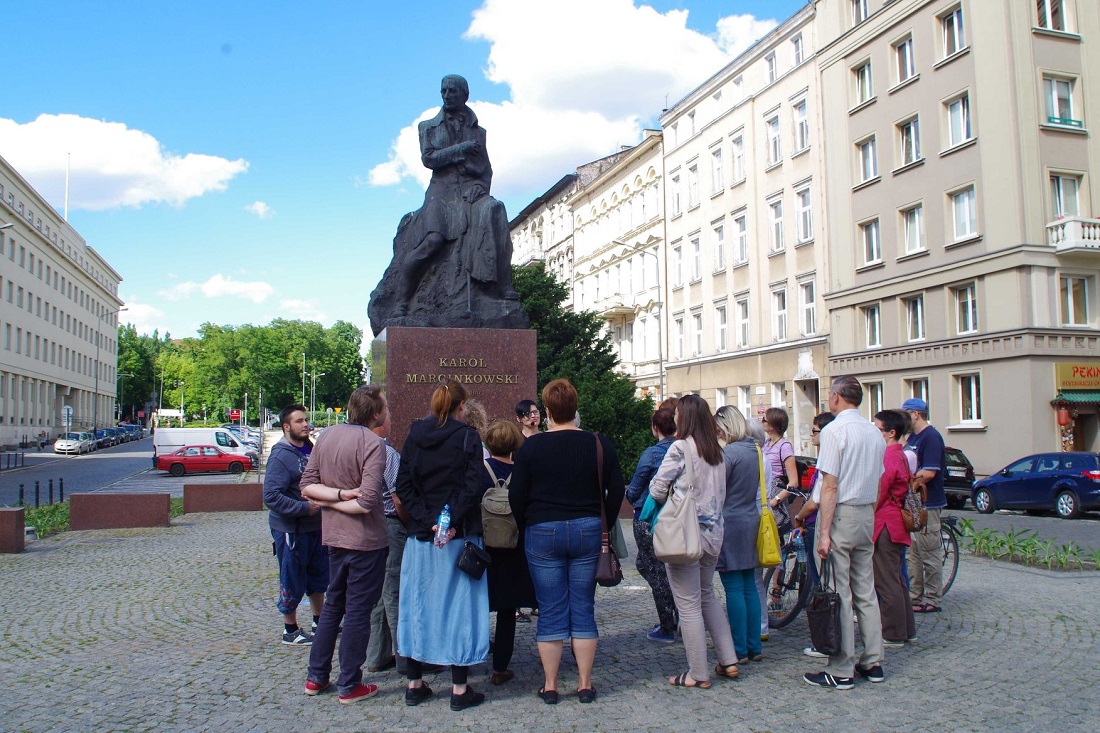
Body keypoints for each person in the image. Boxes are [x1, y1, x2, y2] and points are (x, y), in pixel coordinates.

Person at [510, 378, 625, 705]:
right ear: (575, 409)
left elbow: (516, 495)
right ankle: (585, 684)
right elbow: (617, 490)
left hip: (542, 531)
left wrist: (526, 525)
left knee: (550, 608)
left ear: (546, 411)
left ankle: (550, 685)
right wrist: (606, 524)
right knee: (583, 607)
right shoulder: (599, 443)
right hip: (588, 530)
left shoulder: (531, 447)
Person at [395, 379, 489, 712]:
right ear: (461, 407)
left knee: (417, 606)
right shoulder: (467, 437)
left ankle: (414, 683)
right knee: (459, 608)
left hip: (421, 539)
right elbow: (473, 485)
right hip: (457, 537)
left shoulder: (414, 436)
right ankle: (460, 688)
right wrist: (447, 522)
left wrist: (427, 520)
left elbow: (403, 487)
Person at [300, 386, 390, 704]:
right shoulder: (373, 443)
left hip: (334, 537)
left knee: (333, 607)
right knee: (357, 612)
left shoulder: (326, 436)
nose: (388, 413)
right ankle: (349, 684)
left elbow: (309, 486)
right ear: (376, 413)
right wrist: (341, 497)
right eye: (386, 408)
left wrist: (330, 501)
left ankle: (316, 677)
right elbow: (366, 503)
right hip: (365, 541)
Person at [649, 394, 738, 689]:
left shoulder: (680, 447)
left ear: (684, 418)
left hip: (686, 536)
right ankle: (729, 659)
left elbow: (658, 488)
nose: (673, 418)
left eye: (677, 414)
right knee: (707, 596)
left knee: (687, 605)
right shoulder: (718, 451)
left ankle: (697, 673)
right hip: (714, 534)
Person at [804, 376, 885, 689]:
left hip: (841, 514)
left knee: (839, 592)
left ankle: (841, 668)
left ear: (836, 397)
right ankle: (874, 661)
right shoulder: (873, 433)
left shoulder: (834, 430)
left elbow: (830, 484)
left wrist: (824, 532)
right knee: (866, 591)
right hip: (866, 513)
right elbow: (877, 481)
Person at [263, 404, 326, 646]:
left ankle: (319, 621)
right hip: (291, 530)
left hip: (315, 527)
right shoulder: (280, 456)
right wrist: (303, 508)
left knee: (318, 576)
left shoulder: (310, 448)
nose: (305, 424)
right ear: (286, 426)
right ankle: (290, 629)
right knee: (291, 578)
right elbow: (271, 496)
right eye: (299, 421)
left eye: (306, 420)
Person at [482, 419, 536, 685]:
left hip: (483, 549)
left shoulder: (478, 470)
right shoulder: (523, 472)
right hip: (513, 548)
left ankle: (469, 658)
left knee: (476, 605)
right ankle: (500, 667)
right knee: (507, 610)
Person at [624, 407, 678, 643]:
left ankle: (668, 624)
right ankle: (678, 612)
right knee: (653, 566)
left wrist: (634, 500)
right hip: (679, 518)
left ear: (655, 428)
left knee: (654, 569)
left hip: (650, 519)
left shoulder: (652, 454)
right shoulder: (685, 449)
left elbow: (635, 489)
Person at [714, 406, 762, 665]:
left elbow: (718, 490)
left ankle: (739, 648)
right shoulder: (754, 449)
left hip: (730, 521)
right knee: (749, 586)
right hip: (749, 518)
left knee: (733, 587)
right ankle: (754, 645)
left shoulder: (729, 453)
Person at [791, 411, 835, 658]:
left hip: (817, 524)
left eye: (815, 430)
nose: (811, 435)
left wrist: (799, 517)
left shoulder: (827, 461)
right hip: (822, 523)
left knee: (822, 584)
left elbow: (816, 499)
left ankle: (826, 640)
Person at [365, 404, 405, 675]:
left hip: (367, 524)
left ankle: (376, 654)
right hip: (390, 524)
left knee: (379, 592)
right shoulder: (386, 452)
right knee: (394, 591)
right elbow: (397, 497)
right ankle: (407, 658)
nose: (391, 419)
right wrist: (410, 524)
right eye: (389, 415)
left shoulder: (357, 448)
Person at [872, 410, 917, 647]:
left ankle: (893, 632)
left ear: (891, 433)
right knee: (897, 579)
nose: (875, 433)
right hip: (895, 524)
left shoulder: (890, 456)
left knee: (887, 581)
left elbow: (880, 490)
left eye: (878, 429)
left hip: (886, 523)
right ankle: (906, 628)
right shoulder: (898, 454)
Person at [902, 397, 947, 614]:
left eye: (906, 414)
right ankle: (915, 595)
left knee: (929, 552)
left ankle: (932, 597)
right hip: (913, 504)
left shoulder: (931, 437)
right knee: (913, 554)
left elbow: (929, 472)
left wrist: (906, 479)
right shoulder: (912, 437)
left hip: (928, 503)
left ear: (916, 414)